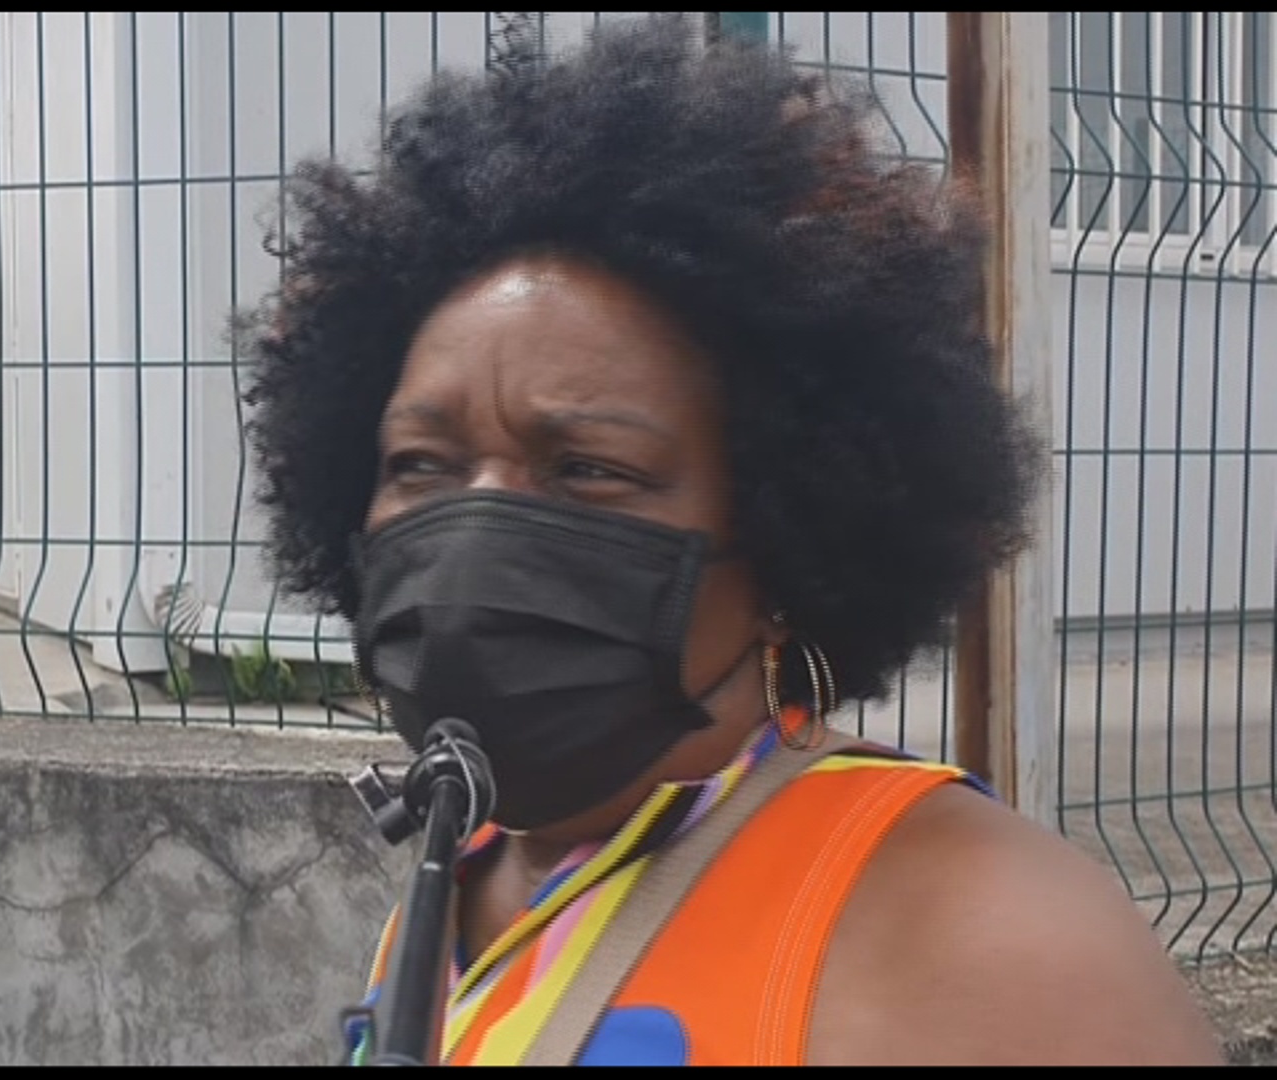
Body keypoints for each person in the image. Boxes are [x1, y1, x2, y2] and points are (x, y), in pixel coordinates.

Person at [237, 13, 1224, 1068]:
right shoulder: (461, 879)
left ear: (781, 538)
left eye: (588, 470)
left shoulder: (982, 933)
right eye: (419, 466)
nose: (475, 526)